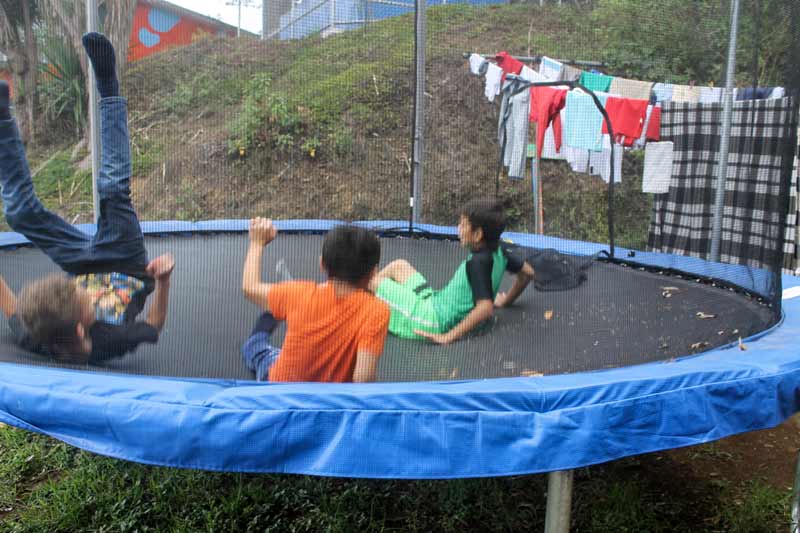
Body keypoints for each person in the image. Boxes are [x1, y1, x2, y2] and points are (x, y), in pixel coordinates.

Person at [0, 33, 174, 363]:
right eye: (83, 296)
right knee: (111, 188)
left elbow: (11, 308)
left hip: (81, 262)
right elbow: (154, 324)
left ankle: (2, 122)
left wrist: (77, 279)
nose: (84, 291)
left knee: (20, 214)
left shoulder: (37, 334)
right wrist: (163, 281)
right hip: (127, 261)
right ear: (83, 328)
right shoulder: (110, 340)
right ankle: (109, 88)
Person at [241, 218, 390, 382]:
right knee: (272, 346)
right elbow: (363, 379)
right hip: (328, 401)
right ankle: (271, 315)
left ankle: (262, 330)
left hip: (279, 390)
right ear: (374, 272)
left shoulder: (298, 293)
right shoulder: (377, 311)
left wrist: (257, 243)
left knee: (262, 352)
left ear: (322, 264)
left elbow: (250, 287)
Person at [372, 199, 535, 344]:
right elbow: (528, 273)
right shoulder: (500, 251)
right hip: (433, 300)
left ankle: (357, 306)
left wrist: (448, 336)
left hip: (433, 320)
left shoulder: (478, 262)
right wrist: (506, 301)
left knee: (374, 281)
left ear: (478, 234)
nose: (459, 228)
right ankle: (368, 301)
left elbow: (485, 308)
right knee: (399, 265)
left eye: (463, 225)